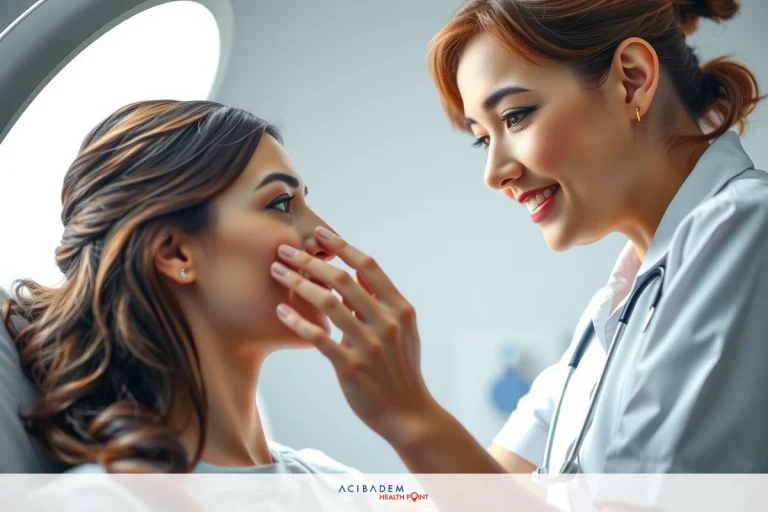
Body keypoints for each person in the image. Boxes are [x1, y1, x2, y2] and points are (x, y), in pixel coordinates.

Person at [268, 0, 768, 490]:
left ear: (631, 79)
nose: (493, 174)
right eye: (482, 138)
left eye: (514, 117)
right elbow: (480, 494)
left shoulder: (746, 227)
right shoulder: (610, 316)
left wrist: (409, 413)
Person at [2, 99, 356, 476]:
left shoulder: (341, 483)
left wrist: (409, 420)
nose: (327, 239)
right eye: (282, 203)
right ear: (174, 253)